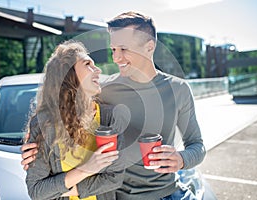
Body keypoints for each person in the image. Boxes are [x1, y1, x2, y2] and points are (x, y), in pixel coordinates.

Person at [22, 12, 206, 200]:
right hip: (119, 196)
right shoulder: (104, 91)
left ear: (149, 47)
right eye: (113, 50)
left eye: (124, 49)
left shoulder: (179, 89)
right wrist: (34, 139)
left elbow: (197, 146)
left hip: (169, 193)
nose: (116, 58)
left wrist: (182, 159)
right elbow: (63, 106)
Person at [24, 40, 125, 200]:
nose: (97, 70)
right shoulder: (44, 124)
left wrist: (67, 189)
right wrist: (88, 169)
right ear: (68, 74)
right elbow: (37, 190)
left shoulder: (109, 117)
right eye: (88, 64)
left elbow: (115, 177)